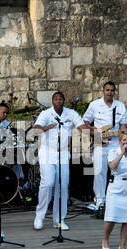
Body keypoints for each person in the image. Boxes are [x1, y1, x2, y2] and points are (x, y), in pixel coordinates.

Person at [33, 91, 87, 230]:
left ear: (64, 101)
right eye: (56, 99)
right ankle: (40, 216)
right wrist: (47, 127)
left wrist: (92, 132)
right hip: (47, 152)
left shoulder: (71, 113)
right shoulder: (46, 114)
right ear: (52, 101)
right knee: (48, 183)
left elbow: (82, 127)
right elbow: (37, 129)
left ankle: (59, 220)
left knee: (62, 186)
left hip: (63, 153)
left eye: (61, 99)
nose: (58, 101)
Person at [82, 81, 127, 210]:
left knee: (118, 170)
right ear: (103, 91)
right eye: (107, 90)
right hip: (99, 142)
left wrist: (124, 140)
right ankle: (99, 199)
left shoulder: (120, 106)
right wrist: (93, 131)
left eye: (112, 90)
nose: (109, 92)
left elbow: (124, 126)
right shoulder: (95, 105)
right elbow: (85, 121)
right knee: (99, 171)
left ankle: (117, 198)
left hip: (115, 142)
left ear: (115, 92)